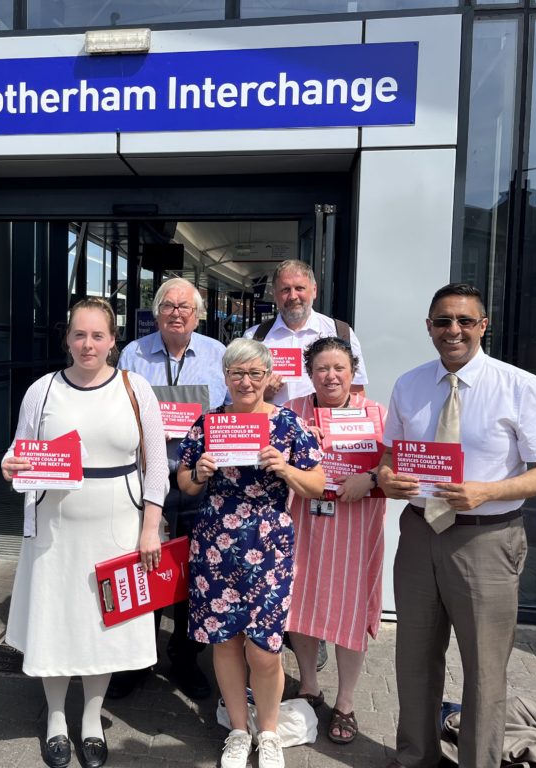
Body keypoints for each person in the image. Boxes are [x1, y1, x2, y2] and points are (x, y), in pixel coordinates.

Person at [376, 283, 536, 768]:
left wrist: (486, 491)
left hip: (487, 538)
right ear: (429, 328)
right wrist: (386, 477)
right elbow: (387, 455)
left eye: (464, 321)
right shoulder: (409, 384)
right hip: (420, 534)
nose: (453, 330)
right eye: (443, 321)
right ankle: (414, 758)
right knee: (414, 660)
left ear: (485, 325)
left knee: (484, 669)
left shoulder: (520, 386)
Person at [1, 297, 169, 768]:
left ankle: (91, 719)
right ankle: (56, 717)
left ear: (113, 341)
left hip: (118, 525)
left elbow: (156, 467)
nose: (88, 344)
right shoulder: (43, 390)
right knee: (55, 622)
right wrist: (9, 466)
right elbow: (17, 454)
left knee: (105, 625)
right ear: (67, 339)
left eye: (98, 335)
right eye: (79, 334)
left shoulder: (137, 390)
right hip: (56, 528)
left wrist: (150, 529)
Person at [177, 338, 325, 768]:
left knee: (264, 648)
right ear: (225, 376)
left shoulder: (289, 426)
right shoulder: (207, 424)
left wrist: (286, 468)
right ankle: (239, 731)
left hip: (269, 546)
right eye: (237, 373)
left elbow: (317, 484)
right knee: (224, 641)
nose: (245, 381)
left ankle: (270, 732)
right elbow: (184, 482)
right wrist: (199, 473)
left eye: (254, 373)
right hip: (215, 545)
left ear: (268, 377)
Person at [112, 277, 228, 700]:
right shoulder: (133, 353)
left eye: (185, 306)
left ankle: (184, 656)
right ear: (156, 311)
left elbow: (230, 413)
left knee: (191, 571)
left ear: (197, 314)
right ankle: (138, 659)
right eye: (168, 305)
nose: (176, 312)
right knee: (144, 569)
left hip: (198, 482)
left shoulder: (217, 355)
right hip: (147, 482)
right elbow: (118, 408)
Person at [284, 336, 387, 745]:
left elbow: (393, 461)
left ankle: (345, 702)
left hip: (354, 526)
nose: (330, 376)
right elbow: (269, 456)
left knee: (349, 610)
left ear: (352, 372)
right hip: (302, 523)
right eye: (322, 368)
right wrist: (295, 444)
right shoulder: (292, 411)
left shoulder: (375, 412)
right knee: (302, 600)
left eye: (339, 368)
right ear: (310, 373)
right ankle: (309, 685)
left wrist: (374, 476)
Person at [245, 259, 368, 405]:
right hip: (273, 425)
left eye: (299, 288)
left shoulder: (339, 332)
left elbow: (356, 391)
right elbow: (238, 395)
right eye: (285, 289)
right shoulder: (254, 338)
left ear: (314, 290)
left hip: (322, 424)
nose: (293, 296)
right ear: (274, 294)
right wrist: (261, 393)